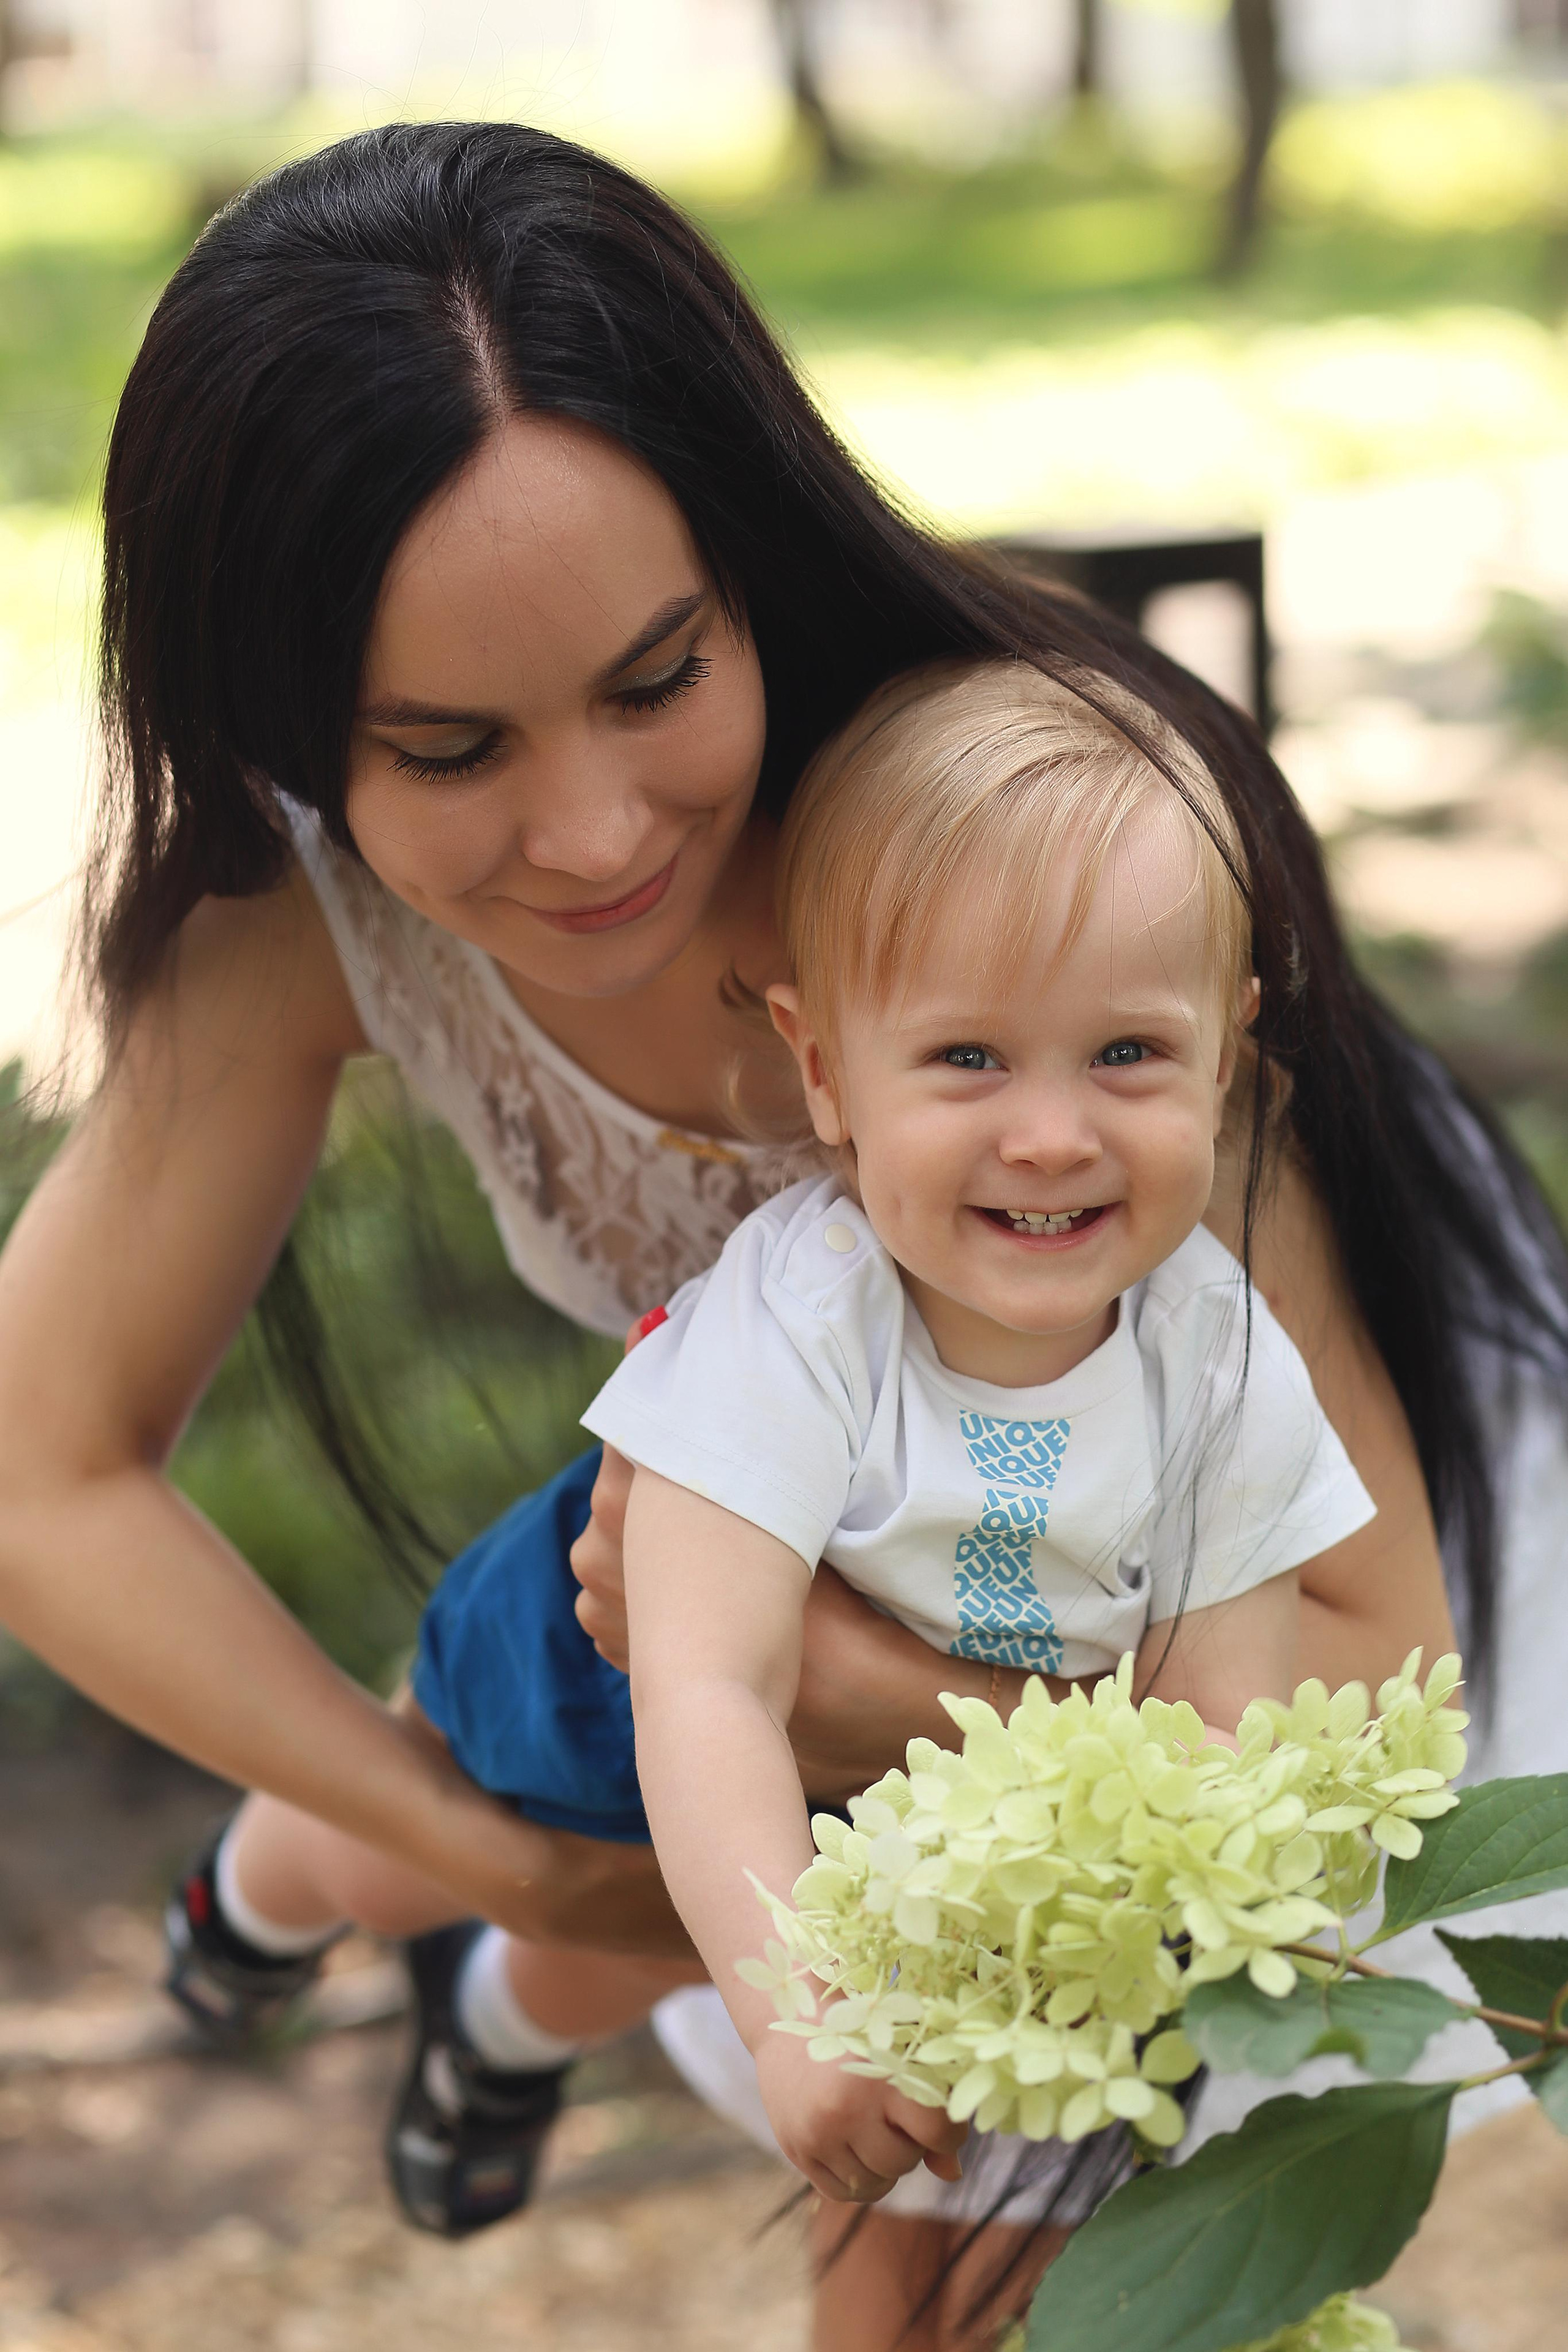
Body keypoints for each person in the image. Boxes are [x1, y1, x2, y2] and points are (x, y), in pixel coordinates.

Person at [0, 118, 1557, 2351]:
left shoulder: (1015, 866)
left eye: (658, 679)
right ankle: (447, 1954)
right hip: (836, 1580)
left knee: (1039, 2223)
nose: (599, 827)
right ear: (283, 724)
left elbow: (1356, 1624)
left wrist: (854, 1695)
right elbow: (42, 1475)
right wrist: (511, 1858)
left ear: (750, 562)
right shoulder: (292, 926)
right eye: (446, 749)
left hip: (1220, 1588)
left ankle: (506, 2000)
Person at [593, 656, 1378, 2201]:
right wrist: (794, 2018)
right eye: (965, 1057)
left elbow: (1214, 1717)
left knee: (939, 2168)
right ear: (823, 1070)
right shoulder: (806, 1317)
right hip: (628, 1639)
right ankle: (280, 1903)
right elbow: (707, 1690)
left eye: (1125, 1054)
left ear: (1222, 1055)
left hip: (893, 1765)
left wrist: (1218, 1935)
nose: (1047, 1132)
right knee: (528, 1867)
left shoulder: (1216, 1359)